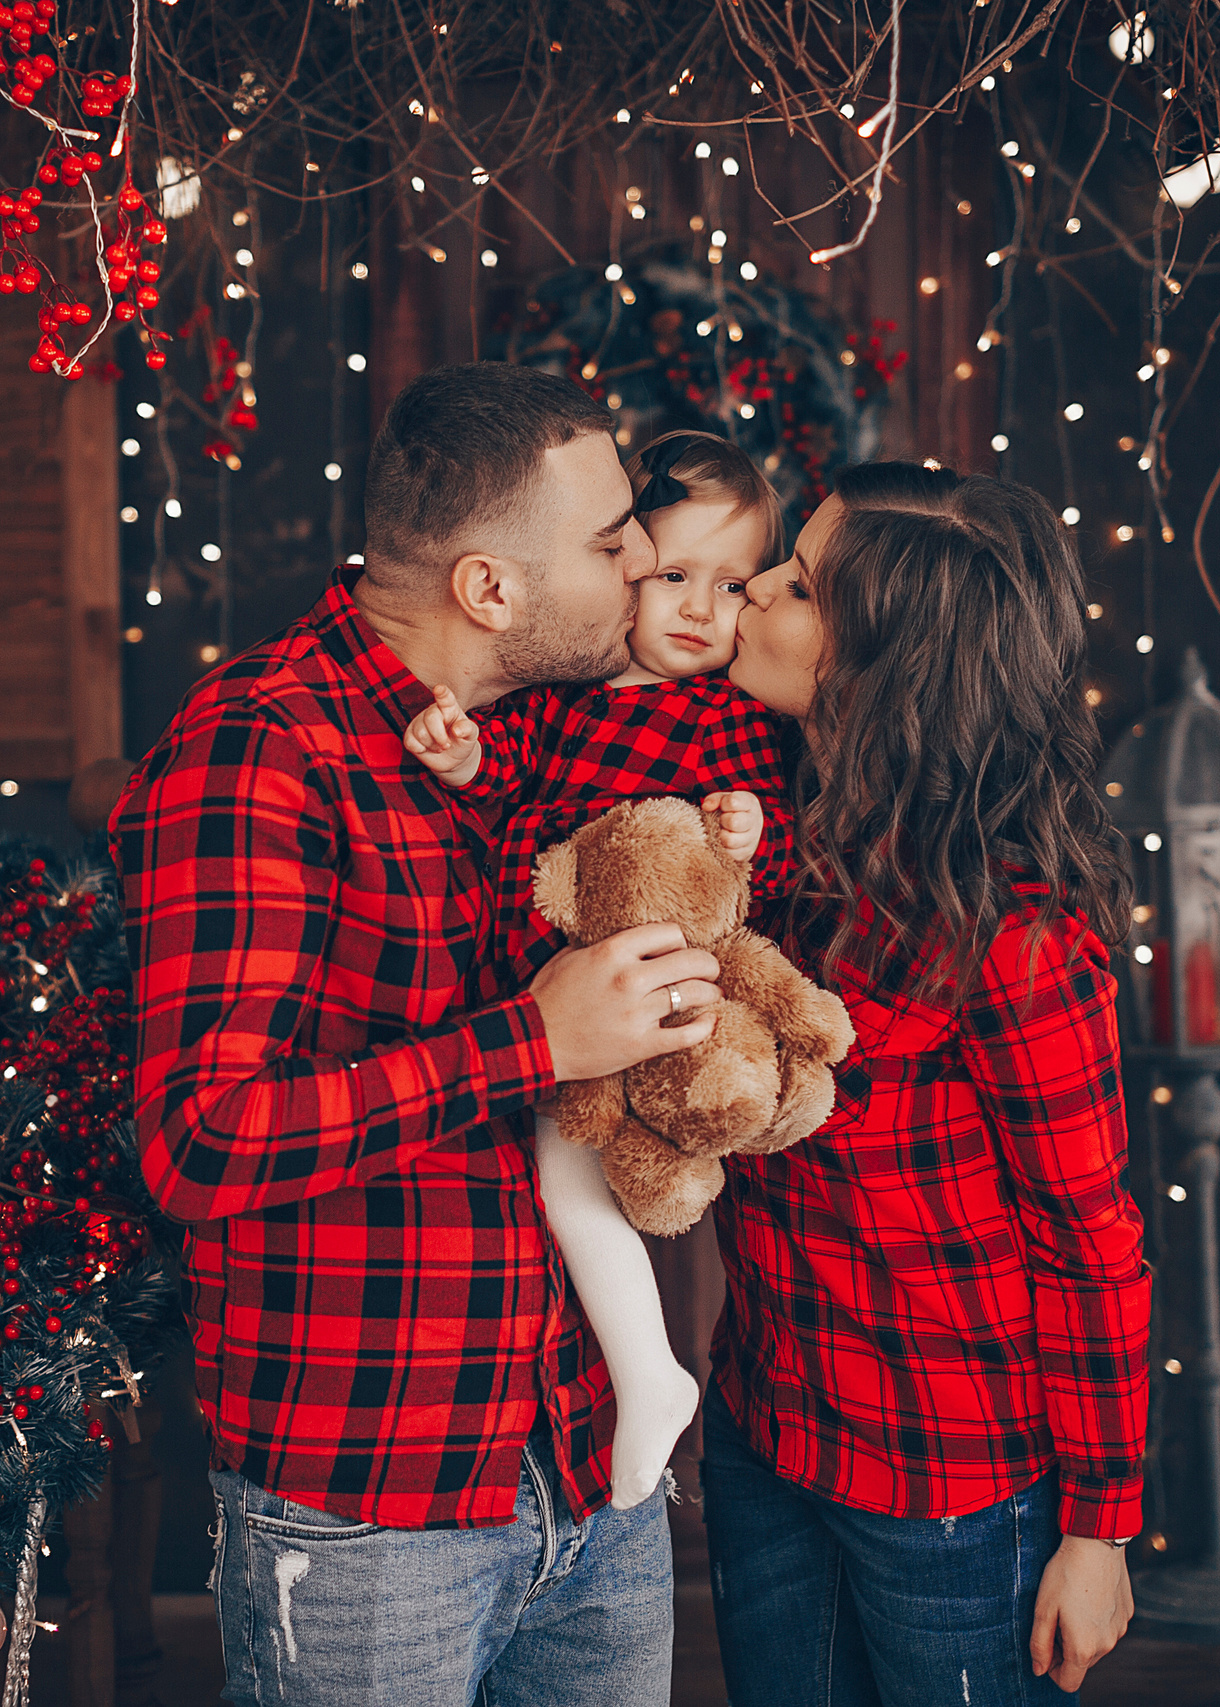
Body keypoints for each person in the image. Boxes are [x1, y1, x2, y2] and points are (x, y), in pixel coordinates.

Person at [112, 363, 724, 1706]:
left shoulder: (528, 740)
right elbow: (197, 1144)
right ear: (489, 588)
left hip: (586, 1464)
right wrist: (529, 1042)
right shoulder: (258, 751)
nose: (645, 569)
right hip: (372, 1506)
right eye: (614, 541)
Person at [703, 462, 1150, 1705]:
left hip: (949, 1483)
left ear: (880, 663)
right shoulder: (764, 821)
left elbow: (1090, 1236)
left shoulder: (1018, 933)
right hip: (766, 1424)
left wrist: (1099, 1528)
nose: (757, 588)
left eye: (796, 586)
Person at [400, 429, 800, 1512]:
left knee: (670, 1174)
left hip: (675, 998)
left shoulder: (734, 721)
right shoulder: (557, 699)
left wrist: (747, 832)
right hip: (552, 1004)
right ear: (624, 569)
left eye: (730, 585)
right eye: (674, 575)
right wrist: (464, 758)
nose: (701, 611)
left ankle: (664, 1373)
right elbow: (497, 796)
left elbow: (774, 862)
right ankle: (650, 1372)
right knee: (566, 1175)